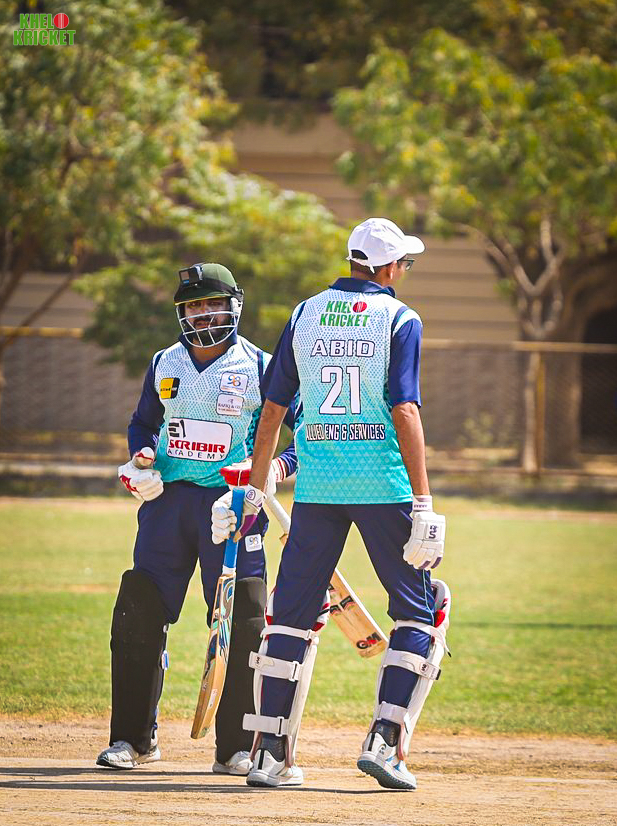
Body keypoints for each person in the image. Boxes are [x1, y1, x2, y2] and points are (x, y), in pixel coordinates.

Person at [212, 217, 450, 791]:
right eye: (404, 263)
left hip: (318, 488)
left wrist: (255, 489)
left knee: (290, 616)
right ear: (387, 267)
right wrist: (423, 502)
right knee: (423, 610)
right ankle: (384, 744)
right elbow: (405, 410)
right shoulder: (401, 319)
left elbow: (272, 412)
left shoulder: (304, 313)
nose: (404, 272)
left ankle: (268, 756)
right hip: (382, 485)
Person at [95, 262, 296, 775]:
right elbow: (143, 423)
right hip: (167, 506)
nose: (203, 314)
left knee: (242, 621)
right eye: (192, 306)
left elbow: (306, 434)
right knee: (139, 612)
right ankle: (133, 739)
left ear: (235, 306)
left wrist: (274, 470)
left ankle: (235, 747)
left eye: (212, 304)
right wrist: (140, 459)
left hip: (233, 508)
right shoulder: (164, 362)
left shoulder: (261, 365)